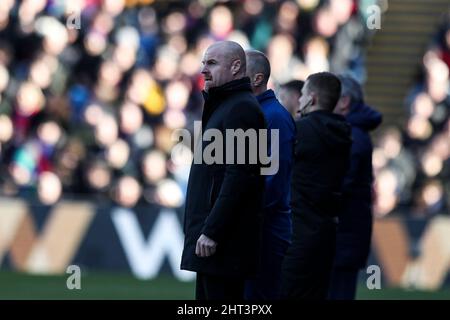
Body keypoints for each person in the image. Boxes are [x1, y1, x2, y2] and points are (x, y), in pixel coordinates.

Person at [180, 41, 266, 300]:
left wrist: (212, 231)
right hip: (214, 242)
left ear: (236, 66)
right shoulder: (225, 106)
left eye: (212, 63)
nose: (203, 69)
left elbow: (240, 177)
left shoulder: (242, 108)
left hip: (223, 243)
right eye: (203, 63)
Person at [280, 72, 352, 300]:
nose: (299, 100)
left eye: (302, 95)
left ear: (311, 99)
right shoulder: (344, 133)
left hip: (298, 232)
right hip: (327, 233)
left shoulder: (300, 131)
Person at [243, 50, 296, 300]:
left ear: (257, 78)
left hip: (265, 231)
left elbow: (273, 182)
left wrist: (241, 212)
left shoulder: (274, 117)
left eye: (238, 71)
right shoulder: (254, 113)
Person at [328, 75, 382, 300]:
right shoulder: (354, 133)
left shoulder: (352, 137)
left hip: (344, 233)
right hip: (348, 231)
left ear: (344, 101)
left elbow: (342, 183)